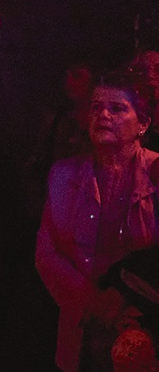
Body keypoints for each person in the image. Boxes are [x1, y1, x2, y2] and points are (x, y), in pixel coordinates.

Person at [37, 70, 159, 372]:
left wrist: (124, 300)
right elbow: (47, 253)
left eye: (116, 108)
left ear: (143, 123)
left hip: (146, 324)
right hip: (82, 330)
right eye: (96, 107)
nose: (103, 115)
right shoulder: (64, 175)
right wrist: (92, 301)